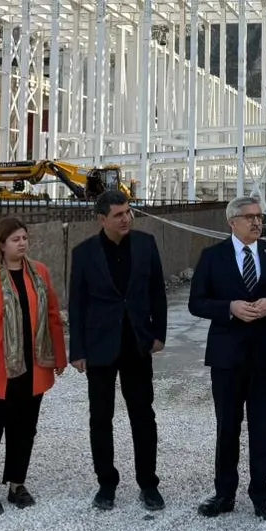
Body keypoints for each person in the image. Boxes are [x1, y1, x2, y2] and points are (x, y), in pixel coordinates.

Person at [188, 195, 266, 521]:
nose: (257, 222)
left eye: (259, 216)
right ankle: (224, 494)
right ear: (232, 222)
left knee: (264, 427)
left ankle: (261, 495)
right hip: (226, 356)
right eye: (250, 217)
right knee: (227, 427)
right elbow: (196, 302)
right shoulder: (212, 257)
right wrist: (229, 308)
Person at [69, 190, 168, 512]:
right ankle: (106, 484)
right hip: (100, 347)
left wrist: (159, 334)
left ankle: (148, 484)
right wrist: (77, 350)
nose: (126, 218)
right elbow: (77, 303)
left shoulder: (146, 244)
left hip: (137, 344)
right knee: (100, 418)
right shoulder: (84, 253)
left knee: (143, 415)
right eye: (118, 214)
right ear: (102, 219)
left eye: (128, 212)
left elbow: (157, 291)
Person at [0, 217, 68, 515]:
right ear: (1, 243)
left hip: (32, 367)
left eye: (24, 238)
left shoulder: (39, 272)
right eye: (15, 239)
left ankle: (17, 483)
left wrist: (58, 357)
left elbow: (53, 315)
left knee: (24, 429)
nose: (22, 243)